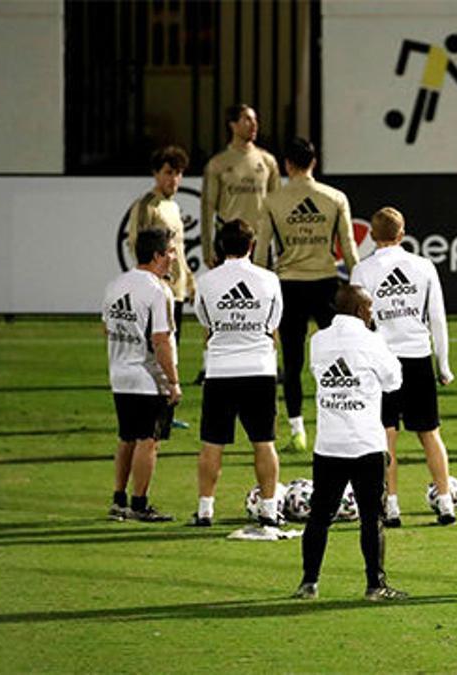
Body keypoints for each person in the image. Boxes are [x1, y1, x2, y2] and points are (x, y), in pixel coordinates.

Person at [293, 285, 406, 602]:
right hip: (366, 444)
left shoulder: (318, 341)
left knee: (319, 517)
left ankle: (308, 583)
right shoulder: (372, 342)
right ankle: (375, 585)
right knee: (372, 518)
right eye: (369, 309)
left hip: (329, 444)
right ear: (360, 311)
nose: (372, 314)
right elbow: (394, 381)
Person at [350, 207, 457, 527]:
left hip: (380, 362)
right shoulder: (423, 266)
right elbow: (437, 318)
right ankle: (445, 501)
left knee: (386, 436)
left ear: (371, 235)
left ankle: (391, 505)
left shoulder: (362, 270)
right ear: (402, 233)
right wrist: (445, 365)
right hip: (417, 358)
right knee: (430, 434)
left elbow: (359, 321)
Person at [259, 137, 359, 453]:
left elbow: (261, 254)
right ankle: (342, 424)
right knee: (338, 358)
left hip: (288, 285)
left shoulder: (273, 201)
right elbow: (350, 249)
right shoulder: (335, 197)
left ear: (287, 164)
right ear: (314, 162)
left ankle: (297, 432)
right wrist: (359, 288)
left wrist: (262, 294)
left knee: (292, 361)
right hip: (327, 284)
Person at [187, 219, 285, 529]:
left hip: (220, 371)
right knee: (264, 441)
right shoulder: (269, 279)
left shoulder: (206, 281)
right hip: (259, 369)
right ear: (252, 246)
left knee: (212, 443)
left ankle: (205, 511)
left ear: (219, 247)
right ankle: (269, 509)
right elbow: (273, 326)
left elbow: (206, 322)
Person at [199, 103, 280, 384]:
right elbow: (208, 207)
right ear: (232, 124)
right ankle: (209, 361)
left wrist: (276, 245)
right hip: (228, 243)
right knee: (219, 304)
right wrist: (209, 247)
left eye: (255, 119)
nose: (253, 125)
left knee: (266, 303)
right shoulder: (219, 164)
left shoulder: (267, 162)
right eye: (246, 119)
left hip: (259, 243)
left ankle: (270, 360)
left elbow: (276, 206)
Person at [103, 228, 180, 522]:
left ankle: (118, 501)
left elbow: (106, 328)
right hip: (147, 378)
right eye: (171, 252)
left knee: (127, 438)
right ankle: (139, 504)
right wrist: (172, 381)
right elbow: (160, 340)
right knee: (149, 440)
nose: (174, 257)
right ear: (158, 255)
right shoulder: (157, 290)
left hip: (119, 373)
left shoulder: (115, 284)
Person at [125, 145, 195, 348]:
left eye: (179, 173)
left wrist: (189, 280)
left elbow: (178, 250)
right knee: (155, 350)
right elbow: (136, 245)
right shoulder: (147, 205)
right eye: (168, 172)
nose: (174, 179)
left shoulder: (172, 206)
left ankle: (168, 381)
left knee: (171, 350)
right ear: (155, 173)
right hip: (157, 290)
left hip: (177, 289)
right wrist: (152, 280)